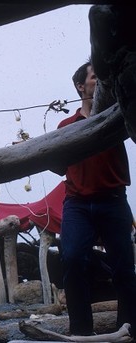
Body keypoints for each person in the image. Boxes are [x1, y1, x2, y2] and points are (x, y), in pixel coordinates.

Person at [56, 60, 136, 336]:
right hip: (78, 204)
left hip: (113, 200)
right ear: (81, 86)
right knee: (73, 259)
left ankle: (129, 329)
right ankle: (80, 330)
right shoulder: (66, 125)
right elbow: (58, 167)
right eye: (95, 76)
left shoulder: (119, 115)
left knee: (124, 266)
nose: (102, 79)